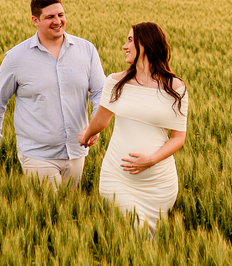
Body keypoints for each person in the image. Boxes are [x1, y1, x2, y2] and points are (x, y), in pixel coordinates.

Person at [0, 0, 106, 187]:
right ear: (35, 20)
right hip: (37, 154)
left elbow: (100, 91)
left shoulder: (86, 50)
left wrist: (95, 125)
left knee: (68, 209)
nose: (58, 21)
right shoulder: (16, 58)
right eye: (50, 17)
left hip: (76, 151)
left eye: (61, 15)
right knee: (51, 211)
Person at [77, 22, 188, 234]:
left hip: (158, 183)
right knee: (128, 234)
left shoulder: (175, 88)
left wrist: (151, 160)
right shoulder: (116, 82)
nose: (124, 46)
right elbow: (101, 120)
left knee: (149, 241)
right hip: (117, 177)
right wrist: (87, 135)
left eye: (129, 40)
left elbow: (178, 138)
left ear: (145, 44)